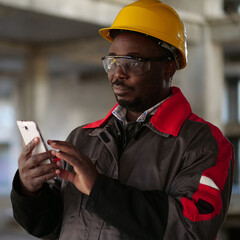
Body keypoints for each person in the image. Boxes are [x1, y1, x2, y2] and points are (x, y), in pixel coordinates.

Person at [11, 0, 234, 239]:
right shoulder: (83, 137)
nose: (118, 74)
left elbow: (191, 230)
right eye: (113, 61)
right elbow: (49, 227)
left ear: (169, 68)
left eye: (133, 63)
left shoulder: (203, 143)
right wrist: (29, 190)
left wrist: (99, 189)